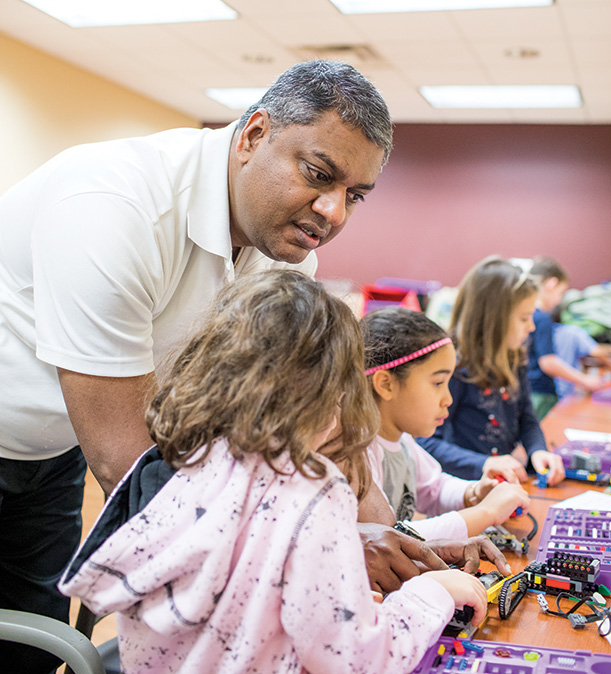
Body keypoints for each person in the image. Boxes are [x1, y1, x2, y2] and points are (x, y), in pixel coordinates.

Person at [0, 59, 394, 672]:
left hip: (51, 449)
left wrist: (380, 534)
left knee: (26, 640)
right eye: (320, 175)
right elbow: (125, 458)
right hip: (66, 432)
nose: (334, 212)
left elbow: (316, 417)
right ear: (255, 134)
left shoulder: (285, 254)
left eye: (355, 195)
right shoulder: (115, 206)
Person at [59, 270, 488, 674]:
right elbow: (355, 660)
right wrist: (432, 595)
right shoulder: (314, 489)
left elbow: (239, 603)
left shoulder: (183, 462)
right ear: (333, 390)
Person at [360, 307, 530, 541]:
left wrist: (474, 492)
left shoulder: (402, 440)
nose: (448, 399)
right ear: (386, 384)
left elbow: (434, 488)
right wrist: (485, 512)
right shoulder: (358, 453)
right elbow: (390, 539)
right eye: (438, 382)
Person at [422, 256, 565, 486]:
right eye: (524, 318)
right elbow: (426, 443)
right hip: (461, 491)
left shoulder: (515, 357)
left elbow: (526, 416)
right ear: (493, 319)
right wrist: (485, 463)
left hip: (501, 486)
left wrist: (537, 450)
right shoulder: (453, 365)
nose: (532, 326)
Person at [526, 256, 610, 418]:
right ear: (552, 284)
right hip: (541, 393)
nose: (560, 299)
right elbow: (548, 362)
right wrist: (585, 380)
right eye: (561, 292)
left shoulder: (529, 315)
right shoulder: (542, 317)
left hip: (529, 390)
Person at [552, 322, 611, 399]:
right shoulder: (572, 331)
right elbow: (598, 352)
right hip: (567, 387)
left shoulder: (548, 331)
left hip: (548, 387)